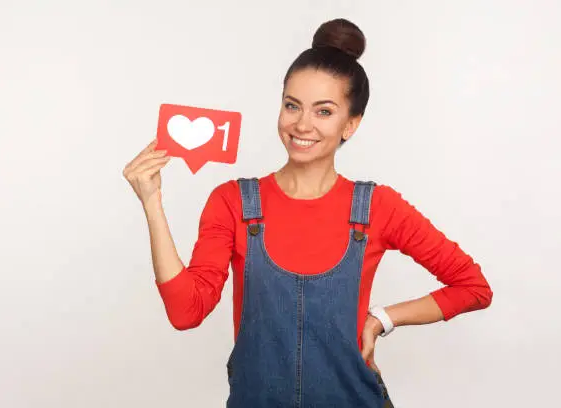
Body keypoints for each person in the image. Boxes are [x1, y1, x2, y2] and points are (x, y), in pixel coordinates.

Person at [123, 18, 493, 408]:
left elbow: (473, 288)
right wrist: (152, 203)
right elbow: (186, 312)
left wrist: (382, 318)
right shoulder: (232, 202)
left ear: (351, 124)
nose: (301, 124)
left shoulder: (377, 208)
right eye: (292, 105)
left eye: (324, 111)